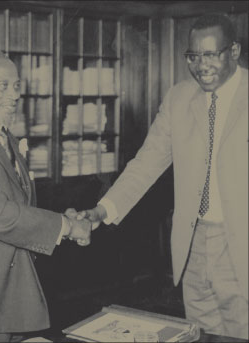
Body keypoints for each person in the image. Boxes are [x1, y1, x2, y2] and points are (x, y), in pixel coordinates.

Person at [68, 14, 248, 339]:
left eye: (211, 55)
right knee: (201, 334)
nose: (201, 65)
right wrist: (103, 209)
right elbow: (147, 161)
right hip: (194, 245)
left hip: (241, 244)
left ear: (234, 51)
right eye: (193, 56)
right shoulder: (179, 98)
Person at [0, 48, 92, 343]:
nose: (15, 95)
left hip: (7, 299)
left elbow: (18, 202)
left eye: (17, 86)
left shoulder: (3, 135)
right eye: (3, 86)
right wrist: (65, 226)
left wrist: (61, 218)